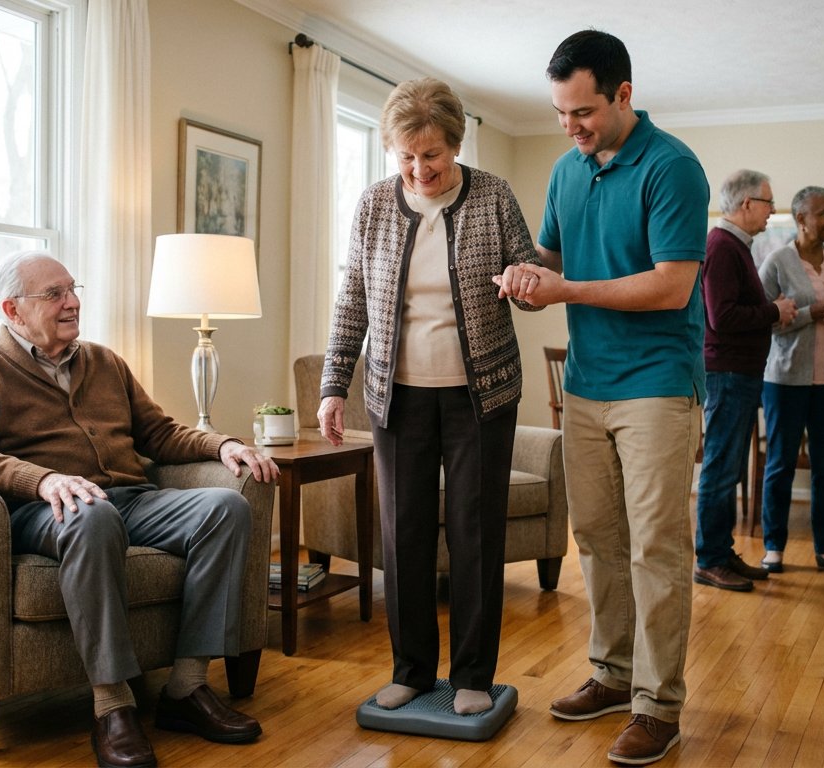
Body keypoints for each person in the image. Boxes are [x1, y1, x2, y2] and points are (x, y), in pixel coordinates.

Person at [0, 251, 279, 768]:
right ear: (12, 309)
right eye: (54, 294)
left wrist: (220, 445)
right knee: (92, 516)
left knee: (225, 508)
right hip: (47, 509)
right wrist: (43, 479)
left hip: (130, 498)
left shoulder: (103, 360)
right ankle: (113, 706)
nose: (71, 302)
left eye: (72, 290)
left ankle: (185, 689)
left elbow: (157, 432)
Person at [496, 30, 708, 766]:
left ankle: (659, 705)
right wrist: (527, 281)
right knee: (598, 540)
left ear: (623, 93)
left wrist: (564, 290)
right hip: (586, 384)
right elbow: (551, 256)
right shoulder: (565, 169)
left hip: (656, 386)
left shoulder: (673, 167)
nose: (570, 127)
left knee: (656, 546)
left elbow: (670, 284)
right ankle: (613, 676)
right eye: (559, 112)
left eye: (582, 111)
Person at [317, 78, 540, 717]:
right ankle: (412, 670)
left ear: (456, 144)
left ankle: (473, 674)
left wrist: (522, 282)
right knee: (404, 533)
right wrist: (335, 386)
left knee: (474, 533)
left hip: (482, 396)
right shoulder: (373, 207)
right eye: (406, 157)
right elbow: (353, 297)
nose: (420, 170)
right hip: (398, 396)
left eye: (433, 156)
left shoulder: (494, 196)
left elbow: (527, 277)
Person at [692, 169, 797, 593]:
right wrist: (775, 312)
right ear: (747, 204)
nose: (773, 210)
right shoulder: (722, 246)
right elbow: (723, 317)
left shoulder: (734, 247)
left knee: (729, 467)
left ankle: (722, 551)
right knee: (720, 469)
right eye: (769, 202)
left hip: (738, 373)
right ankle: (710, 559)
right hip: (728, 373)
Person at [757, 186, 824, 577]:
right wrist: (810, 312)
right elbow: (764, 320)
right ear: (801, 219)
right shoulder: (776, 262)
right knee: (780, 464)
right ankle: (773, 547)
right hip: (785, 380)